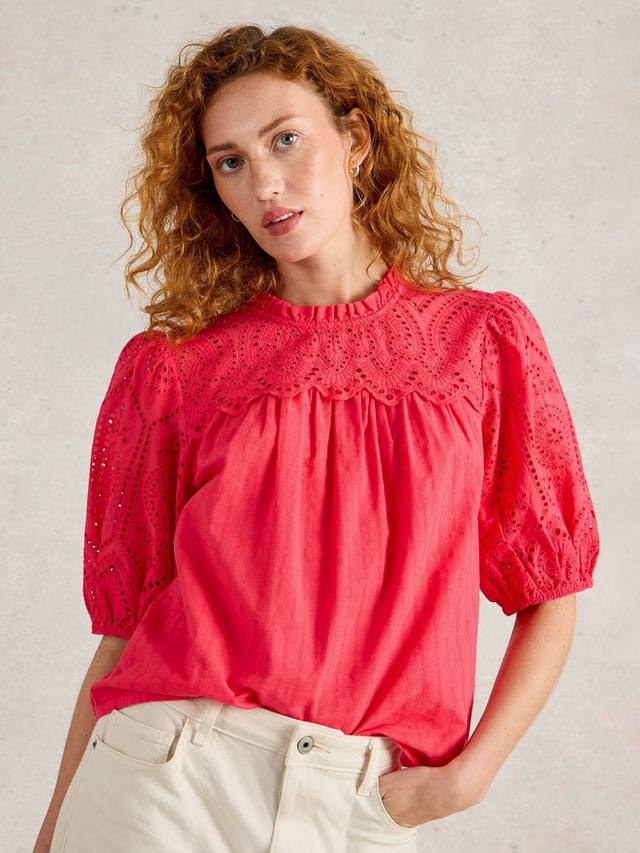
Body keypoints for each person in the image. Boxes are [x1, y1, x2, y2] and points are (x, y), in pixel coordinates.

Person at [35, 23, 601, 853]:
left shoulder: (484, 341)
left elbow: (551, 588)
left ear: (356, 139)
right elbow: (124, 632)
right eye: (230, 162)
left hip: (358, 804)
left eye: (285, 140)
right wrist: (52, 832)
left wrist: (468, 777)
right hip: (163, 781)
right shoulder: (174, 367)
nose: (265, 181)